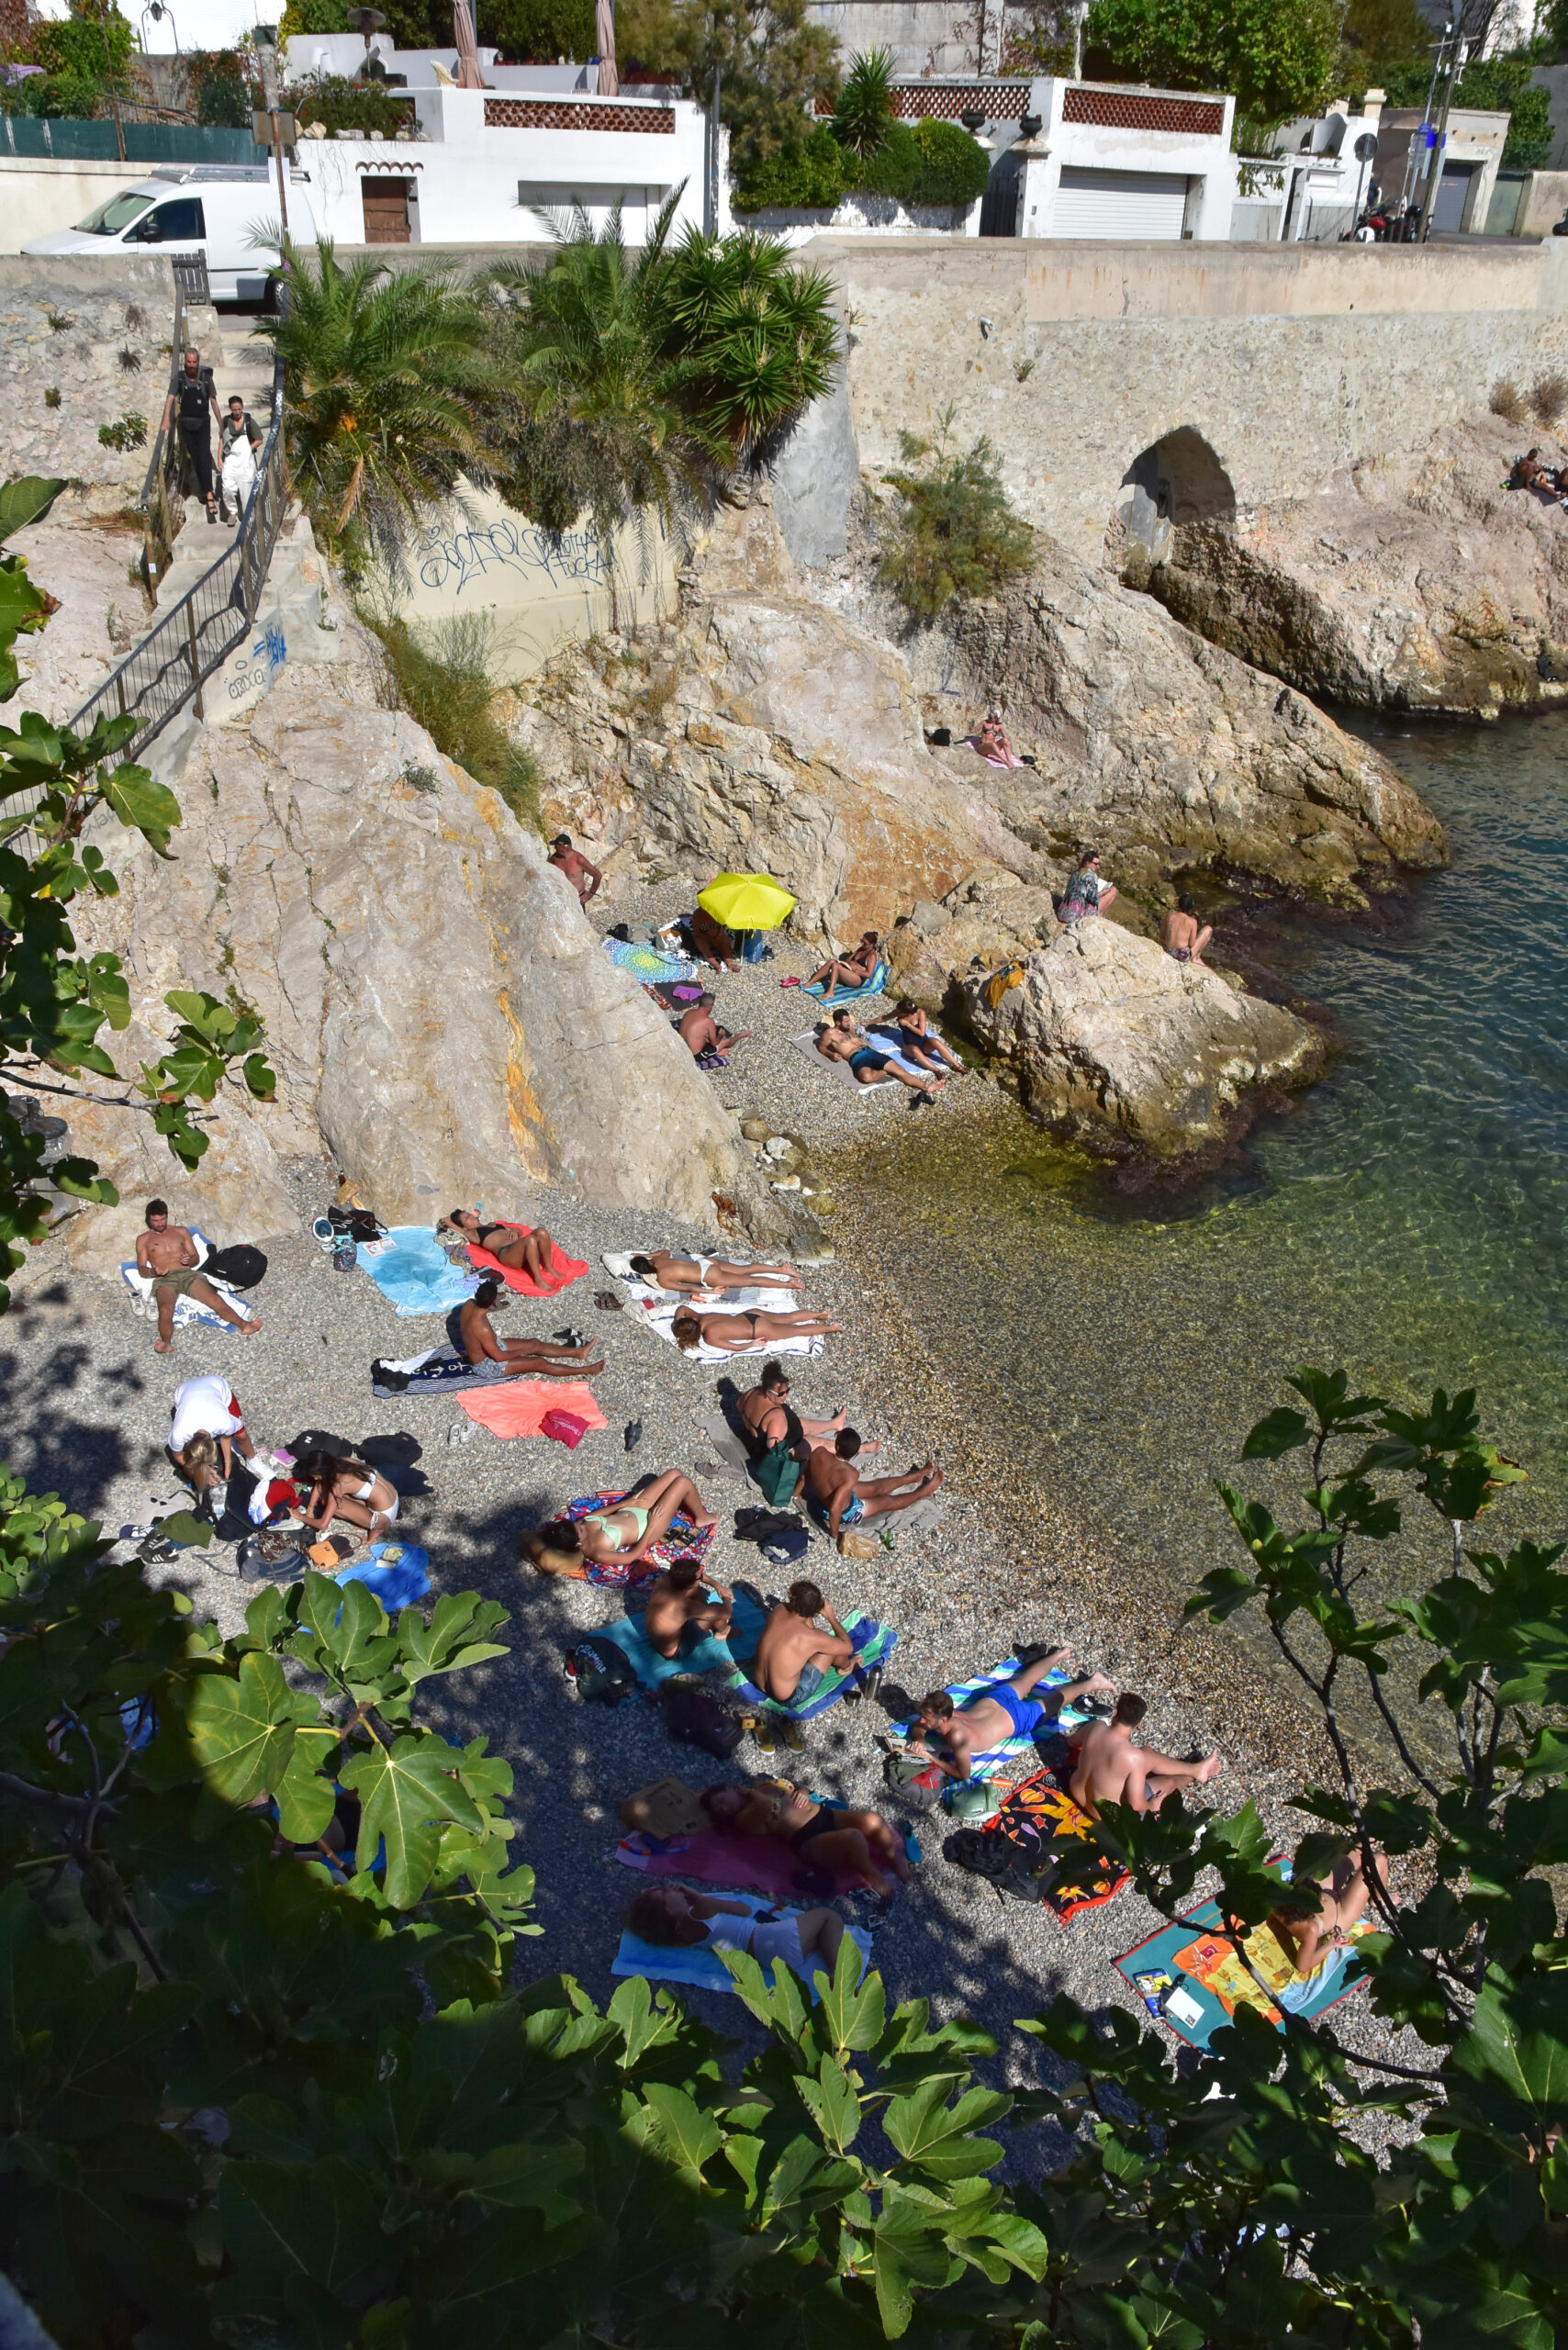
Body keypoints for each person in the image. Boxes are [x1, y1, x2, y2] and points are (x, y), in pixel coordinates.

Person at [907, 1646, 1116, 1782]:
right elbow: (919, 1726)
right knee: (1027, 1680)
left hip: (1016, 1717)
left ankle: (1092, 1683)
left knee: (1055, 1702)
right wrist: (918, 1738)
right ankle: (1059, 1654)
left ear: (942, 1720)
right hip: (995, 1700)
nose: (923, 1720)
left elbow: (963, 1775)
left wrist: (928, 1756)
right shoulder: (947, 1713)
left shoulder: (957, 1737)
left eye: (926, 1717)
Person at [700, 1781, 913, 1897]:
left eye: (721, 1801)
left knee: (873, 1820)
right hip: (808, 1839)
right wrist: (746, 1791)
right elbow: (764, 1805)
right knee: (854, 1838)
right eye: (719, 1810)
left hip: (826, 1815)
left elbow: (795, 1786)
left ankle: (892, 1855)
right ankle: (872, 1874)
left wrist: (802, 1791)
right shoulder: (742, 1818)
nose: (724, 1808)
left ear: (729, 1788)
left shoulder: (763, 1786)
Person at [623, 1882, 848, 1986]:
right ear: (669, 1911)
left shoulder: (681, 1939)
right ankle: (838, 1973)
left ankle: (828, 1970)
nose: (670, 1890)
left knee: (816, 1935)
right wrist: (696, 1895)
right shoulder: (700, 1910)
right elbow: (745, 1910)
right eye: (665, 1894)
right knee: (829, 1916)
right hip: (769, 1939)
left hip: (767, 1961)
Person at [1266, 1848, 1389, 2013]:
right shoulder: (1311, 1929)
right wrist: (1331, 1945)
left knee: (1357, 1850)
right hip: (1340, 1913)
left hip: (1321, 1891)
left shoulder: (1278, 1899)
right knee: (1379, 1860)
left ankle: (1366, 1837)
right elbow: (1303, 1965)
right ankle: (1378, 1898)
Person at [522, 1470, 717, 1572]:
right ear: (577, 1543)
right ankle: (701, 1518)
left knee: (675, 1474)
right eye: (580, 1528)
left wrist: (629, 1502)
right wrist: (652, 1526)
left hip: (634, 1508)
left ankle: (675, 1501)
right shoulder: (597, 1551)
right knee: (683, 1483)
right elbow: (631, 1557)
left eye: (579, 1523)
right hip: (648, 1527)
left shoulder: (577, 1528)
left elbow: (600, 1512)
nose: (582, 1524)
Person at [135, 1199, 262, 1354]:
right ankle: (167, 1343)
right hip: (164, 1279)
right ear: (149, 1219)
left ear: (167, 1216)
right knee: (166, 1309)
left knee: (214, 1299)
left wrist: (189, 1260)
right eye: (156, 1221)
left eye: (163, 1219)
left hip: (187, 1274)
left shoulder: (180, 1231)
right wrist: (153, 1272)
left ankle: (244, 1325)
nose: (160, 1223)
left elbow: (195, 1257)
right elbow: (141, 1268)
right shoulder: (144, 1240)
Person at [1068, 1692, 1221, 1818]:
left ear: (1115, 1712)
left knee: (1146, 1753)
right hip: (1104, 1814)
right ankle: (1193, 1775)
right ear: (1139, 1723)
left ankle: (1196, 1769)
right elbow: (1136, 1805)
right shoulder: (1133, 1757)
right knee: (1168, 1783)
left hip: (1076, 1790)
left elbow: (1072, 1742)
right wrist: (1152, 1806)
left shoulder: (1095, 1727)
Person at [803, 1430, 943, 1539]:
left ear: (836, 1445)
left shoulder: (819, 1452)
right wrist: (834, 1534)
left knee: (876, 1487)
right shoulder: (850, 1474)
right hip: (844, 1511)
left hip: (826, 1499)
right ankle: (922, 1493)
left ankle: (914, 1477)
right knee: (888, 1501)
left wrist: (797, 1494)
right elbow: (835, 1508)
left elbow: (805, 1475)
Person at [456, 1281, 604, 1378]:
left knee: (534, 1344)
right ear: (494, 1301)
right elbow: (499, 1357)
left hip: (490, 1347)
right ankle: (585, 1370)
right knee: (539, 1362)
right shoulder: (482, 1328)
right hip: (486, 1365)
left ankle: (578, 1353)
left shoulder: (468, 1305)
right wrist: (519, 1353)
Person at [753, 1579, 857, 1707]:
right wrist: (831, 1617)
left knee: (819, 1644)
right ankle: (846, 1667)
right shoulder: (811, 1637)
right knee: (830, 1648)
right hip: (786, 1697)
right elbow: (848, 1648)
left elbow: (803, 1622)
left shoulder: (779, 1609)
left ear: (792, 1599)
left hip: (759, 1683)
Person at [818, 1011, 939, 1101]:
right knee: (866, 1078)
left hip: (869, 1051)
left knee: (900, 1071)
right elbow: (821, 1047)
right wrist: (831, 1055)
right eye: (846, 1021)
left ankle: (926, 1086)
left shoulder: (850, 1027)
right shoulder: (830, 1033)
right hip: (856, 1057)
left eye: (849, 1020)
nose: (849, 1023)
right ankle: (885, 1071)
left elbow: (857, 1035)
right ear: (838, 1023)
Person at [167, 1371, 255, 1494]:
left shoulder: (224, 1422)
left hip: (216, 1385)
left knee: (241, 1435)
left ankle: (254, 1460)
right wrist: (203, 1472)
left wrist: (228, 1465)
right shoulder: (179, 1434)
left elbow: (226, 1437)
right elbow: (177, 1456)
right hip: (182, 1392)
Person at [161, 348, 220, 524]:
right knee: (195, 458)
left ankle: (209, 494)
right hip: (186, 424)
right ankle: (204, 491)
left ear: (198, 362)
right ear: (185, 362)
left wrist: (221, 423)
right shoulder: (179, 378)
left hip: (203, 424)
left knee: (203, 456)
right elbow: (170, 398)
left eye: (195, 362)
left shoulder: (206, 378)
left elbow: (214, 402)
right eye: (189, 362)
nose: (192, 365)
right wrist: (166, 420)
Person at [737, 1360, 849, 1454]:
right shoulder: (776, 1415)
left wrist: (750, 1426)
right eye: (781, 1394)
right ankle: (859, 1448)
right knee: (819, 1443)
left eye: (787, 1391)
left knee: (801, 1423)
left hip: (753, 1439)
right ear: (768, 1392)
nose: (785, 1396)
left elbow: (739, 1405)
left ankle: (835, 1424)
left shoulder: (753, 1392)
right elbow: (775, 1450)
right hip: (771, 1450)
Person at [296, 1448, 402, 1541]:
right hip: (393, 1497)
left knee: (330, 1503)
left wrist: (300, 1516)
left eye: (315, 1476)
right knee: (333, 1495)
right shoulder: (345, 1461)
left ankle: (377, 1529)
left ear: (323, 1472)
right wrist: (310, 1509)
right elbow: (320, 1484)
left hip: (383, 1518)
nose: (314, 1479)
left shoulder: (339, 1485)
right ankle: (366, 1519)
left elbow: (323, 1525)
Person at [441, 1209, 564, 1288]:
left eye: (468, 1215)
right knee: (530, 1239)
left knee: (541, 1232)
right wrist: (445, 1220)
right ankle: (538, 1280)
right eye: (466, 1218)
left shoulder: (493, 1224)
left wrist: (515, 1231)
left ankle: (548, 1267)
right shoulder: (472, 1233)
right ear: (464, 1227)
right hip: (507, 1254)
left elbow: (520, 1231)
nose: (470, 1217)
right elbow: (447, 1222)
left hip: (520, 1247)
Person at [644, 1555, 734, 1659]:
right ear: (690, 1582)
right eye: (699, 1578)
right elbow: (726, 1613)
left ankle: (708, 1616)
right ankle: (723, 1631)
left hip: (658, 1637)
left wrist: (718, 1586)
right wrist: (727, 1597)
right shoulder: (684, 1605)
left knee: (695, 1590)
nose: (701, 1578)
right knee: (715, 1607)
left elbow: (695, 1578)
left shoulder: (665, 1579)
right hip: (676, 1651)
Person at [669, 1304, 843, 1355]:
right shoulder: (701, 1317)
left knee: (796, 1331)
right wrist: (678, 1321)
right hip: (750, 1315)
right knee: (788, 1317)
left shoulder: (709, 1337)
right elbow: (682, 1308)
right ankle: (821, 1314)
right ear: (690, 1320)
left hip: (757, 1329)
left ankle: (831, 1328)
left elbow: (735, 1347)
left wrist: (752, 1344)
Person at [628, 1249, 802, 1295]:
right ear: (647, 1261)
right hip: (705, 1263)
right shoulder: (660, 1259)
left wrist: (711, 1291)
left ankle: (788, 1285)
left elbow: (688, 1289)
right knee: (745, 1270)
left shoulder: (662, 1279)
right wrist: (643, 1254)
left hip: (708, 1276)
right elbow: (664, 1250)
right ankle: (781, 1269)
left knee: (750, 1281)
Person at [878, 999, 966, 1077]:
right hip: (909, 1046)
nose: (898, 1012)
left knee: (936, 1042)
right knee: (915, 1049)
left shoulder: (920, 1013)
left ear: (908, 1012)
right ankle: (937, 1071)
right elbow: (884, 1018)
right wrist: (867, 1023)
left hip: (924, 1043)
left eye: (900, 1012)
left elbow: (922, 1033)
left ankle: (957, 1066)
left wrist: (908, 1025)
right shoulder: (899, 1012)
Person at [218, 393, 263, 524]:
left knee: (246, 490)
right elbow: (221, 439)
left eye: (239, 409)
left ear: (242, 408)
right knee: (227, 487)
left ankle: (248, 517)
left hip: (245, 460)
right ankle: (232, 511)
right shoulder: (226, 421)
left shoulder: (248, 421)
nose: (237, 412)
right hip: (230, 458)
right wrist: (219, 458)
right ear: (230, 409)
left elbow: (259, 439)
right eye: (234, 410)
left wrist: (249, 449)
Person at [677, 993, 751, 1062]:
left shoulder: (688, 1013)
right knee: (725, 1041)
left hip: (680, 1047)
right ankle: (741, 1036)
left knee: (704, 1035)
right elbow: (714, 1043)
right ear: (710, 1006)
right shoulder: (708, 1021)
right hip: (694, 1056)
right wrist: (720, 1035)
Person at [806, 932, 881, 996]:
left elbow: (869, 974)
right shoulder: (861, 949)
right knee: (832, 961)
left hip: (857, 979)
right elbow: (848, 959)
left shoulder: (872, 956)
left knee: (836, 966)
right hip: (849, 971)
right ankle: (810, 982)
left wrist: (858, 970)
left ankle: (830, 992)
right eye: (862, 941)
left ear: (872, 944)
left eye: (865, 943)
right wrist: (852, 963)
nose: (862, 944)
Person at [1058, 849, 1117, 924]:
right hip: (1075, 916)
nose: (1097, 866)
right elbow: (1093, 899)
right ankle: (1099, 915)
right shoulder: (1091, 876)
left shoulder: (1074, 873)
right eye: (1095, 864)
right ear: (1088, 862)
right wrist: (1103, 892)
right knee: (1113, 890)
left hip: (1062, 913)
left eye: (1098, 864)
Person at [1160, 893, 1214, 968]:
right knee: (1208, 929)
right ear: (1190, 908)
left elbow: (1162, 935)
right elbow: (1191, 944)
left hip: (1168, 951)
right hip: (1182, 956)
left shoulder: (1169, 916)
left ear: (1178, 904)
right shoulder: (1192, 922)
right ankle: (1196, 958)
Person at [547, 833, 602, 904]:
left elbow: (598, 875)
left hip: (578, 899)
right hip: (561, 898)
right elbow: (546, 868)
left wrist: (590, 894)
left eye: (556, 845)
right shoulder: (555, 858)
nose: (554, 847)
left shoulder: (579, 860)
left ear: (563, 847)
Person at [688, 903, 738, 971]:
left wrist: (718, 937)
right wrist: (709, 938)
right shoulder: (698, 914)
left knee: (725, 943)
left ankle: (730, 964)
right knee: (703, 946)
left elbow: (722, 928)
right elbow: (697, 933)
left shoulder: (721, 912)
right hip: (703, 937)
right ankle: (716, 965)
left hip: (718, 934)